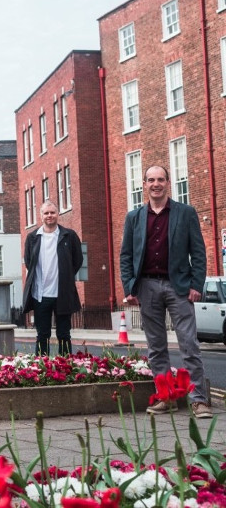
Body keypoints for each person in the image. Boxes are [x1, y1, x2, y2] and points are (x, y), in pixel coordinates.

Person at [120, 165, 212, 419]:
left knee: (188, 343)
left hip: (179, 287)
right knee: (156, 347)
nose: (156, 184)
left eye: (160, 179)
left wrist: (197, 284)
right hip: (147, 286)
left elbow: (199, 252)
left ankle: (199, 400)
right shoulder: (134, 217)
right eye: (151, 180)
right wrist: (129, 287)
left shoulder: (186, 213)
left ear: (168, 183)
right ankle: (166, 397)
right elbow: (126, 255)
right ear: (144, 184)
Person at [22, 200, 84, 355]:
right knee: (42, 335)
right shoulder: (32, 238)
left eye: (52, 212)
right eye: (46, 213)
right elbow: (29, 262)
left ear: (57, 214)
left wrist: (65, 274)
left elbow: (77, 261)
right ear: (41, 216)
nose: (49, 216)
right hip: (40, 295)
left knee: (64, 334)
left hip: (62, 294)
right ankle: (42, 369)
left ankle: (66, 367)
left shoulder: (69, 236)